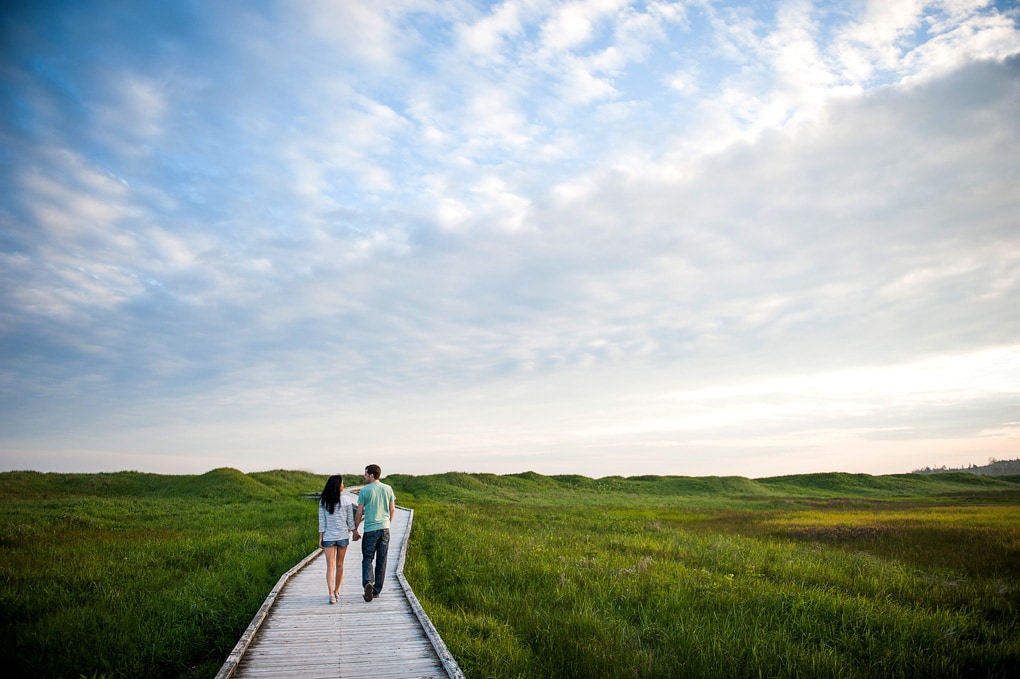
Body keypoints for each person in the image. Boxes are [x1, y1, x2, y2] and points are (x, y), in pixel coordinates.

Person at [354, 463, 396, 602]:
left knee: (367, 558)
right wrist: (387, 524)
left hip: (370, 529)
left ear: (371, 475)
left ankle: (367, 583)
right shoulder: (388, 488)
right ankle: (376, 590)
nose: (364, 476)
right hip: (384, 528)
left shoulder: (365, 491)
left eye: (366, 474)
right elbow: (392, 509)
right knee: (381, 560)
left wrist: (355, 529)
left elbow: (359, 511)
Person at [318, 475, 359, 604]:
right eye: (342, 483)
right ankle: (336, 590)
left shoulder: (323, 501)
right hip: (342, 536)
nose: (344, 485)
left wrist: (320, 538)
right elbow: (350, 520)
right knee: (340, 565)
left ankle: (331, 594)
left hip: (328, 537)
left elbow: (322, 522)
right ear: (338, 486)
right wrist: (354, 532)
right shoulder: (346, 500)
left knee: (330, 566)